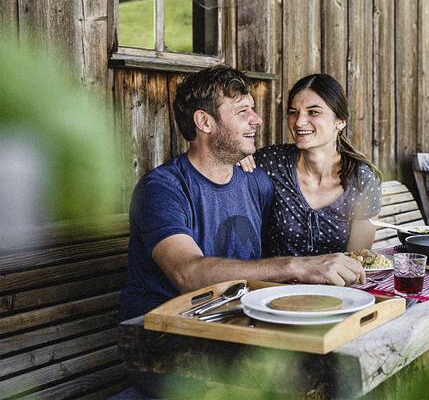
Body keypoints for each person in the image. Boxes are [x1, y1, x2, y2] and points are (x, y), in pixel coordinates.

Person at [120, 67, 365, 323]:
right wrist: (296, 266)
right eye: (242, 111)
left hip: (237, 321)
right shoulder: (162, 188)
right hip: (169, 332)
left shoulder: (255, 181)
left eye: (253, 109)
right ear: (204, 122)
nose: (257, 119)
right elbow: (188, 274)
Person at [240, 74, 382, 257]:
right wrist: (236, 158)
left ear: (340, 121)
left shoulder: (362, 181)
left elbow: (356, 259)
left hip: (335, 285)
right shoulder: (270, 163)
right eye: (293, 112)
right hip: (272, 284)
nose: (299, 122)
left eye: (313, 112)